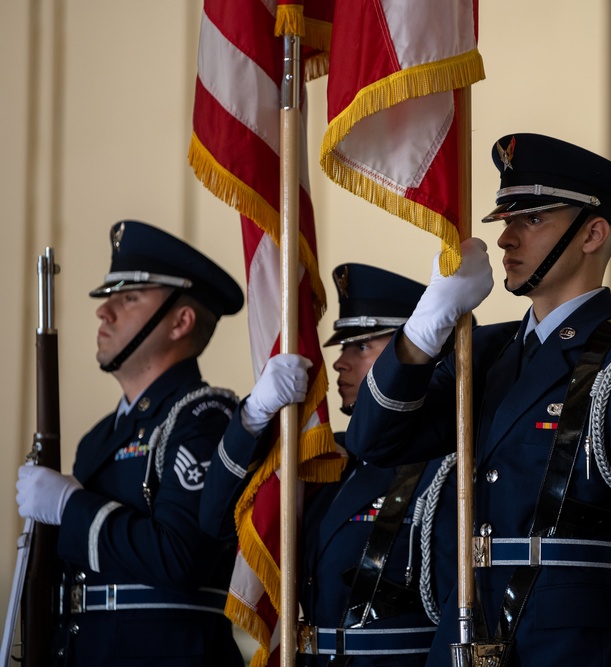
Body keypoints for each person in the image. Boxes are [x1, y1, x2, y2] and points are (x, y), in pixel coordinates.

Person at [346, 133, 611, 666]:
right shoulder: (480, 354)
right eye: (506, 220)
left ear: (592, 234)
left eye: (531, 220)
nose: (506, 239)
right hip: (466, 637)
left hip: (562, 649)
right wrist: (424, 326)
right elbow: (374, 440)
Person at [200, 263, 459, 666]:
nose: (339, 363)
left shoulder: (449, 466)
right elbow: (215, 520)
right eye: (343, 347)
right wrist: (254, 415)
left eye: (362, 346)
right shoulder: (327, 460)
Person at [15, 220, 246, 666]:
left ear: (180, 321)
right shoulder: (99, 438)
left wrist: (71, 507)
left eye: (129, 298)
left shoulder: (203, 420)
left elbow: (180, 558)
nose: (105, 312)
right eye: (108, 298)